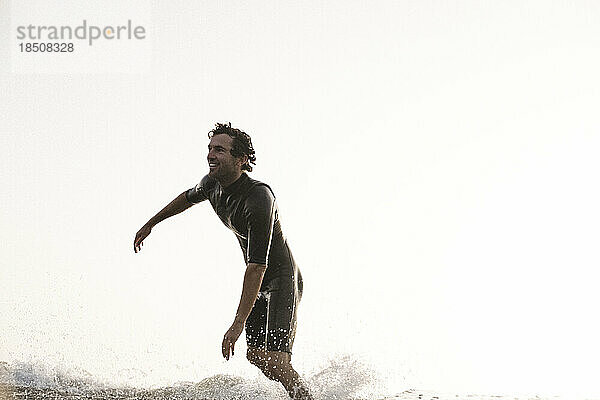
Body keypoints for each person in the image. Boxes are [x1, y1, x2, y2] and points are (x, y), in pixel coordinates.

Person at [133, 123, 312, 400]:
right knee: (257, 355)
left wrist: (237, 323)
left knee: (276, 360)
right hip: (259, 278)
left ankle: (309, 398)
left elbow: (257, 266)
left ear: (241, 159)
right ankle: (301, 396)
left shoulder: (259, 197)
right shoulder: (211, 184)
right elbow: (187, 198)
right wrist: (151, 223)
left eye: (219, 150)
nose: (210, 155)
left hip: (280, 278)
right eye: (209, 149)